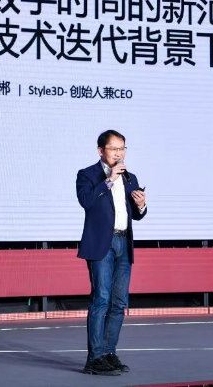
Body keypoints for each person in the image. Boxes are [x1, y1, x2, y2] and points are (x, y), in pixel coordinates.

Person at [76, 130, 147, 376]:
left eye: (122, 148)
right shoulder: (88, 175)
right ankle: (94, 358)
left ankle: (108, 353)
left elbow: (134, 214)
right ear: (101, 151)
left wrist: (141, 205)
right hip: (101, 245)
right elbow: (86, 201)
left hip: (123, 243)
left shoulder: (130, 178)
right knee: (101, 299)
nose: (119, 153)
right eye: (114, 148)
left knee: (119, 303)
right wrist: (109, 180)